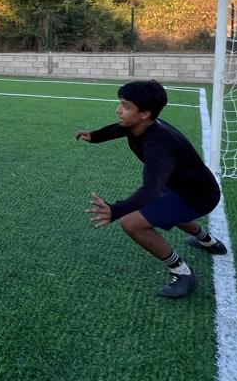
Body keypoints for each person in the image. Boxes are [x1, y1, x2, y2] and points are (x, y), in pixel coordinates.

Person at [76, 79, 226, 300]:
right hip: (184, 186)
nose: (118, 110)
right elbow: (121, 128)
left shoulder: (158, 144)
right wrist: (96, 136)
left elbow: (150, 191)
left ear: (145, 113)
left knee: (132, 222)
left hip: (198, 196)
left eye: (126, 106)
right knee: (163, 210)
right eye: (120, 103)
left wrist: (116, 210)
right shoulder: (142, 124)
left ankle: (182, 272)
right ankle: (208, 241)